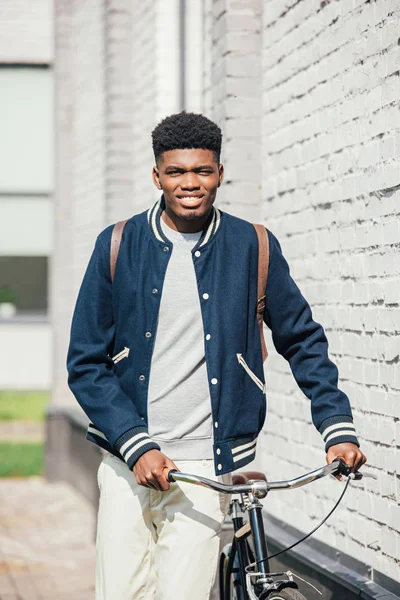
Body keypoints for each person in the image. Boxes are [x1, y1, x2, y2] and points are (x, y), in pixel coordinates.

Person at [66, 111, 366, 599]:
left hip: (207, 467)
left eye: (203, 171)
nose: (190, 183)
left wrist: (336, 426)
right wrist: (135, 444)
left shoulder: (253, 245)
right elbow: (84, 362)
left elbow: (302, 338)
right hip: (125, 463)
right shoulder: (118, 245)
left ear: (220, 173)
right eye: (177, 172)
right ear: (157, 175)